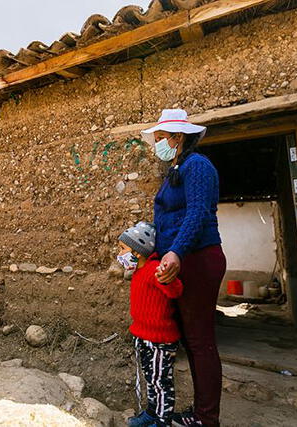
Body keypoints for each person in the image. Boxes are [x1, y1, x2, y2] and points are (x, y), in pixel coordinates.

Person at [141, 109, 226, 427]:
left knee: (201, 340)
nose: (158, 143)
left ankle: (206, 419)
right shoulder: (178, 168)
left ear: (179, 137)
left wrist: (176, 251)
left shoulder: (198, 166)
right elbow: (170, 218)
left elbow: (198, 213)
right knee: (189, 339)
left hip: (198, 258)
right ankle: (190, 412)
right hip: (181, 260)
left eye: (162, 138)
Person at [117, 221, 183, 427]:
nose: (119, 254)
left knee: (161, 383)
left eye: (122, 249)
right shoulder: (138, 272)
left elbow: (176, 291)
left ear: (137, 252)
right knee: (150, 379)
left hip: (159, 340)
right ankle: (152, 414)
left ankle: (163, 422)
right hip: (142, 336)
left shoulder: (155, 270)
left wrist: (167, 278)